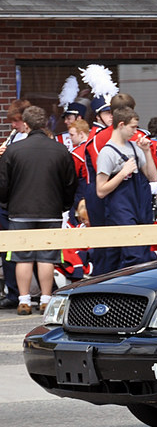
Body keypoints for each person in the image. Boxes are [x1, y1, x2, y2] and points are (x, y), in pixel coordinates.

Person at [0, 106, 76, 314]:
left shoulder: (14, 151)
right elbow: (70, 182)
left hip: (20, 211)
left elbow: (3, 184)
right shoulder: (60, 150)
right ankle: (45, 299)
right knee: (47, 257)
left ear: (25, 125)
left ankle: (23, 300)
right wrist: (64, 205)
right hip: (50, 210)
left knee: (22, 257)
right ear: (45, 124)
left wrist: (6, 203)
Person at [95, 107, 157, 270]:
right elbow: (100, 190)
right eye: (133, 127)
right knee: (133, 256)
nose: (135, 132)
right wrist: (122, 173)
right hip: (121, 211)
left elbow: (153, 177)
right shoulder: (107, 153)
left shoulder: (135, 148)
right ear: (121, 125)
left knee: (144, 255)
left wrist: (147, 152)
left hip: (141, 209)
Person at [0, 99, 34, 309]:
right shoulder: (15, 138)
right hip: (9, 201)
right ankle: (14, 290)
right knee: (8, 250)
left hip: (19, 200)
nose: (13, 125)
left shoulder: (29, 139)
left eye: (17, 121)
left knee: (20, 250)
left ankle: (21, 293)